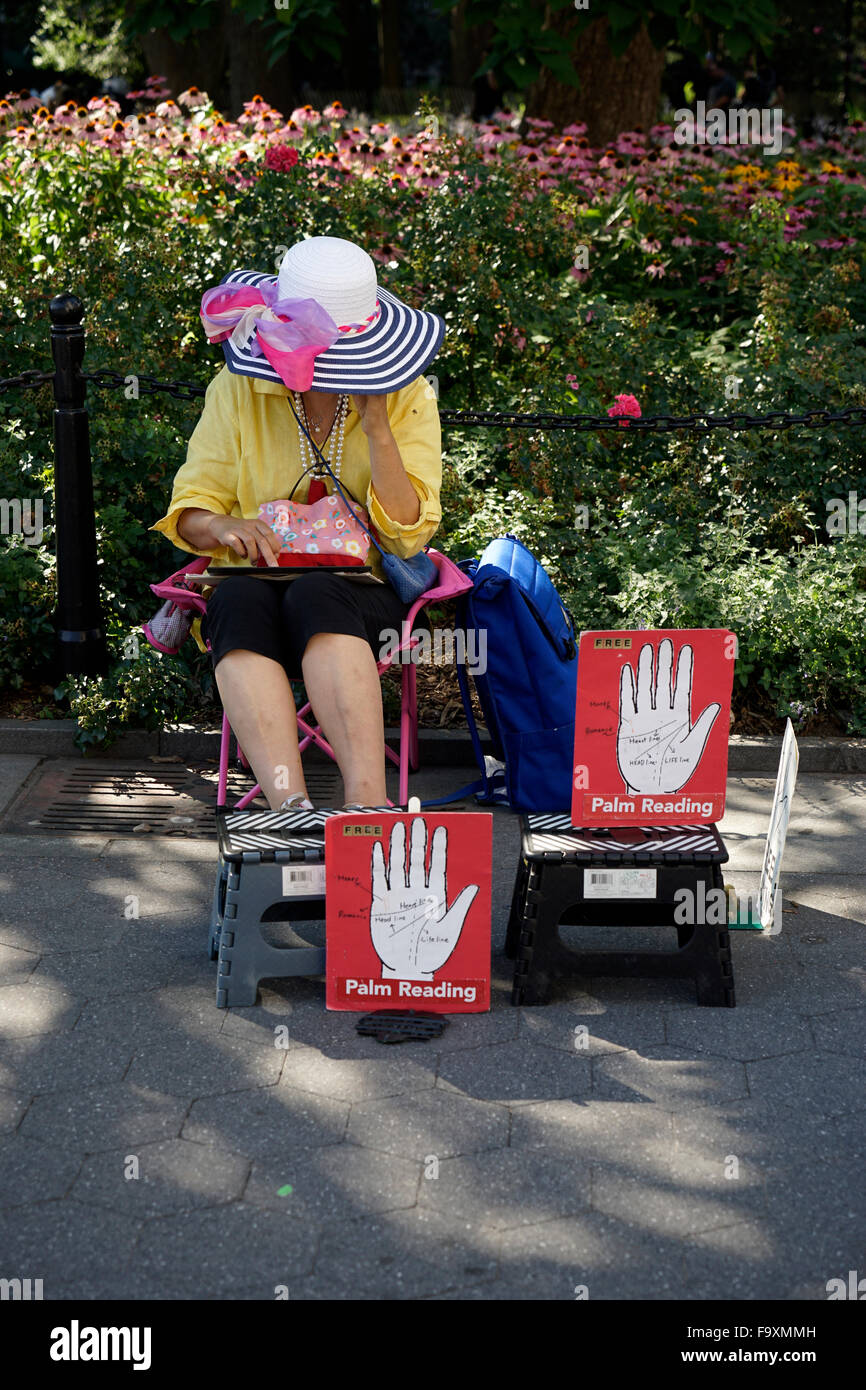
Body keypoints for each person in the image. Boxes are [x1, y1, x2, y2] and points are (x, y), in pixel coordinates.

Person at [152, 235, 445, 813]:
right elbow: (190, 508)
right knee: (234, 604)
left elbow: (410, 533)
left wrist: (378, 427)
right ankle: (290, 809)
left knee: (316, 591)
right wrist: (223, 526)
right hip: (253, 584)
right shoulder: (238, 388)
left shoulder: (406, 395)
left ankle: (368, 805)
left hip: (360, 592)